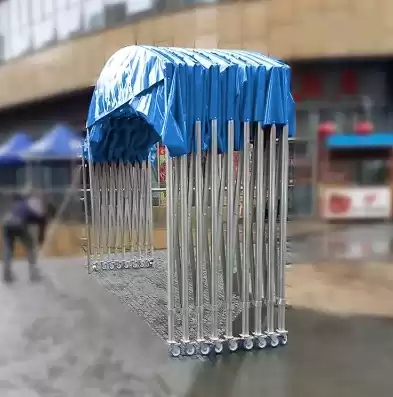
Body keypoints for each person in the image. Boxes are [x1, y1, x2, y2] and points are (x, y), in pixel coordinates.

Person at [2, 191, 56, 283]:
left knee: (8, 249)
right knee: (30, 246)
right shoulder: (42, 216)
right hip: (17, 223)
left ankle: (6, 275)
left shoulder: (29, 203)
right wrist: (40, 243)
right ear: (49, 213)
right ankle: (33, 275)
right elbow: (41, 234)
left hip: (6, 222)